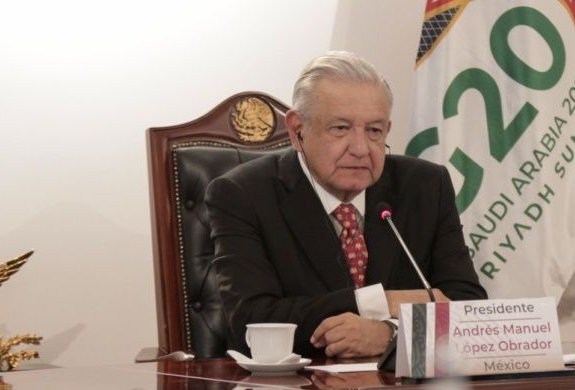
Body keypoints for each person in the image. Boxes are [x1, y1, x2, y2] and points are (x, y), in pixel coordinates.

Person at [205, 51, 486, 359]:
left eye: (374, 130)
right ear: (297, 130)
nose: (361, 148)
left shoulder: (425, 186)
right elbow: (254, 320)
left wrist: (390, 335)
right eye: (340, 128)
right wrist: (379, 302)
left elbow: (468, 308)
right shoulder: (242, 195)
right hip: (296, 384)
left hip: (401, 385)